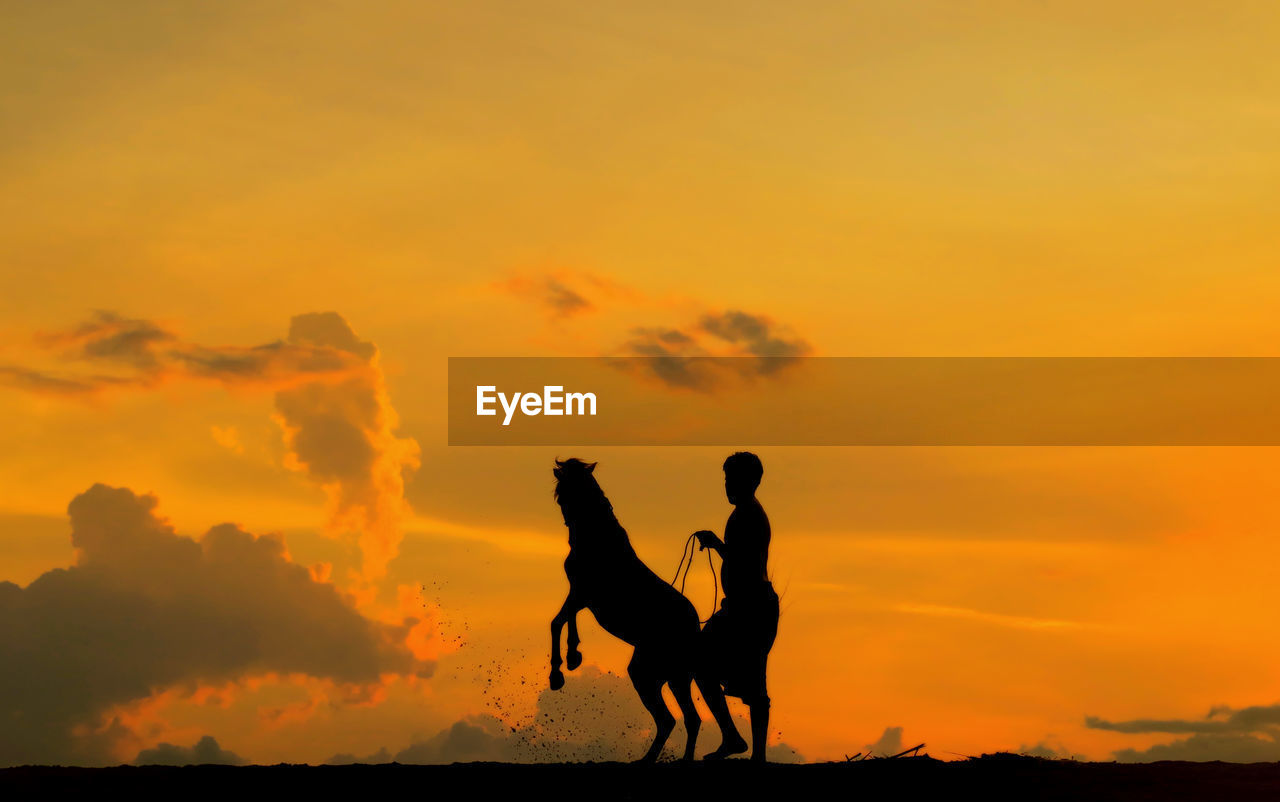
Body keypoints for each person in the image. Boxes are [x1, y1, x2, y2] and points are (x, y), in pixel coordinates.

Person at [692, 451, 780, 762]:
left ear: (753, 482)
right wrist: (718, 544)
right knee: (706, 665)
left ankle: (753, 753)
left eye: (734, 479)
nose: (729, 485)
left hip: (751, 608)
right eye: (727, 479)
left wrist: (717, 545)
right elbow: (740, 558)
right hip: (745, 606)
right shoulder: (745, 513)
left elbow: (743, 562)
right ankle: (739, 742)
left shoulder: (749, 515)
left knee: (751, 679)